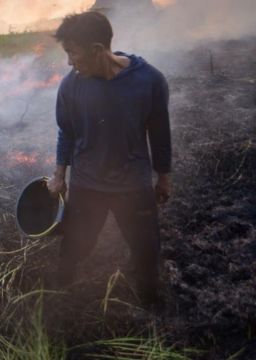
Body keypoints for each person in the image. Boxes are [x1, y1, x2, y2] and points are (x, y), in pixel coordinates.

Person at [46, 11, 171, 304]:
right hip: (87, 184)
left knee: (146, 248)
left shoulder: (149, 81)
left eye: (72, 53)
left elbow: (160, 133)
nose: (68, 62)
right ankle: (60, 293)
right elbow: (67, 132)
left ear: (97, 50)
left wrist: (164, 178)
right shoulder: (71, 86)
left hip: (134, 185)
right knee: (76, 243)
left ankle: (150, 302)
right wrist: (59, 174)